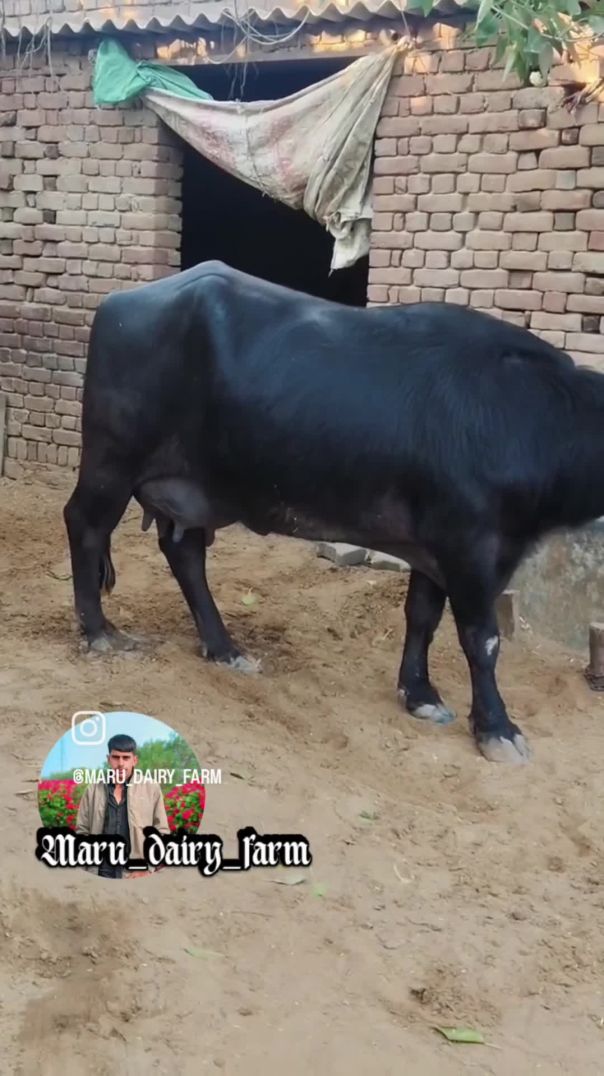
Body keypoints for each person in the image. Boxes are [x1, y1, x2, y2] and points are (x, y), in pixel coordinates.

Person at [76, 733, 169, 879]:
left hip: (134, 874)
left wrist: (148, 869)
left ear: (134, 760)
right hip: (99, 872)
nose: (120, 763)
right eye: (116, 757)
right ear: (108, 759)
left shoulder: (151, 788)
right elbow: (82, 831)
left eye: (126, 758)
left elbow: (161, 832)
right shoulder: (93, 789)